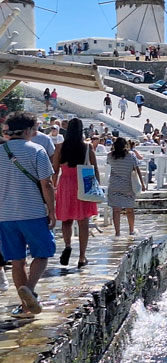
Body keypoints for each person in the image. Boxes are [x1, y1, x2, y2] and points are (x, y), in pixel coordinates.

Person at [0, 112, 56, 317]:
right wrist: (52, 210)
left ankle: (26, 307)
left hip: (5, 216)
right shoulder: (37, 150)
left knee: (17, 260)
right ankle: (29, 289)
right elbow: (47, 184)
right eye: (33, 130)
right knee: (42, 254)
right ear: (26, 131)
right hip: (32, 212)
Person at [52, 118, 99, 269]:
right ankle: (82, 256)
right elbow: (94, 167)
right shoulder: (87, 147)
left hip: (65, 184)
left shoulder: (60, 147)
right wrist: (96, 185)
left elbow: (55, 169)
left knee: (66, 219)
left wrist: (53, 187)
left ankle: (67, 245)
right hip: (82, 184)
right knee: (83, 222)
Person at [107, 137, 145, 237]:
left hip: (114, 185)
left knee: (116, 210)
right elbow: (137, 169)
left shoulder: (110, 156)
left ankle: (117, 232)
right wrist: (142, 184)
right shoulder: (131, 155)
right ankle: (131, 230)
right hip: (128, 185)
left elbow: (110, 165)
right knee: (130, 209)